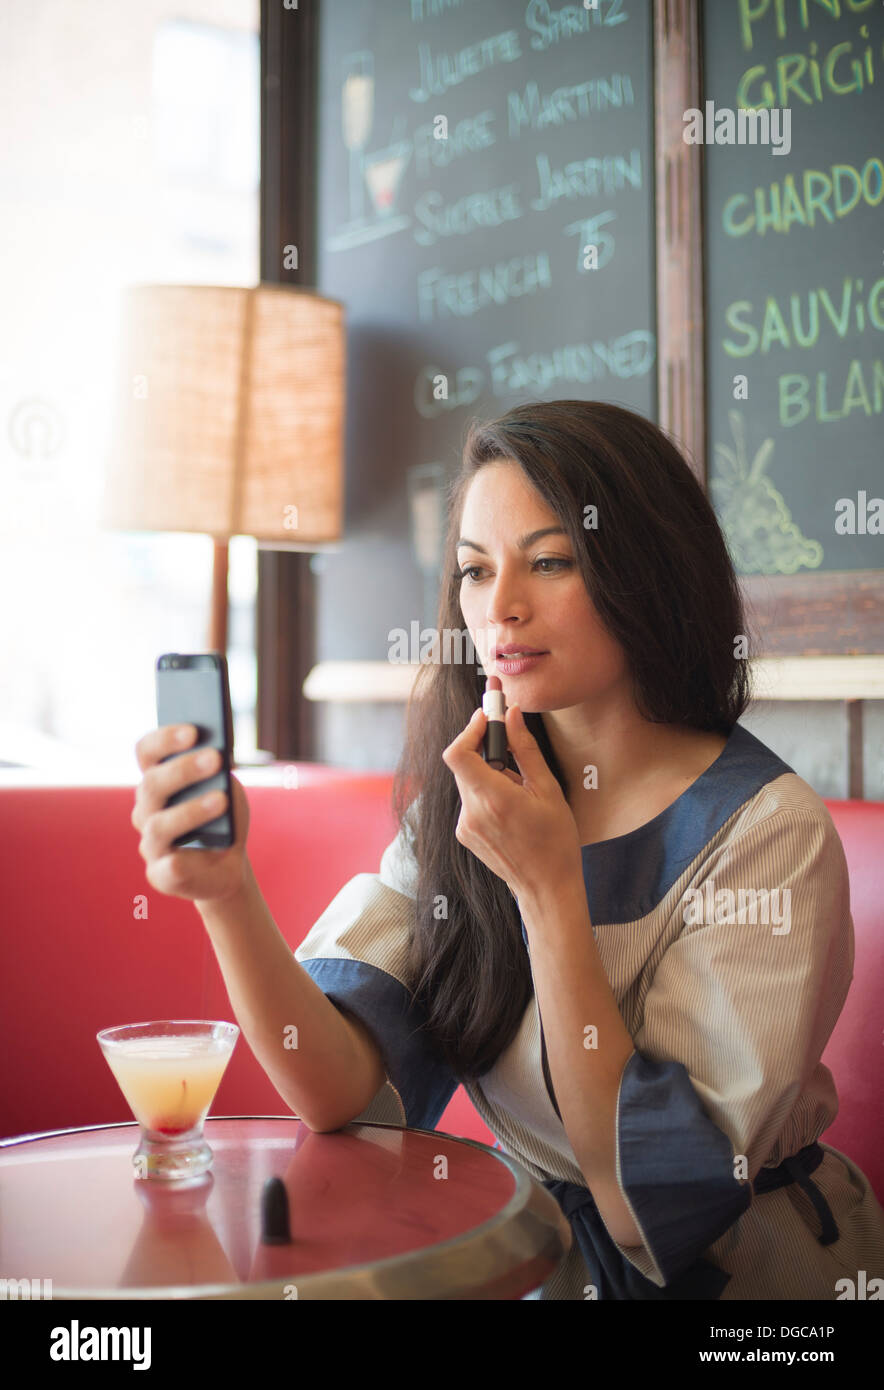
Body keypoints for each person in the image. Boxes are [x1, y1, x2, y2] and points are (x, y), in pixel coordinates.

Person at [133, 399, 884, 1300]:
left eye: (551, 561)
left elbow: (648, 1201)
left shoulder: (766, 834)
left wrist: (550, 892)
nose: (504, 609)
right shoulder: (481, 794)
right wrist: (226, 891)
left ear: (646, 568)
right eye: (475, 572)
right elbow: (338, 1090)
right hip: (530, 1256)